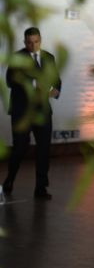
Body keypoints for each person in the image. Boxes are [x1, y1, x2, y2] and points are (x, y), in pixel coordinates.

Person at [2, 27, 61, 200]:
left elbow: (56, 79)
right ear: (24, 42)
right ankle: (10, 179)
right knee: (20, 148)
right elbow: (10, 81)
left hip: (42, 111)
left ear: (40, 40)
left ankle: (40, 189)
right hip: (22, 112)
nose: (32, 45)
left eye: (36, 41)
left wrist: (55, 90)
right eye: (29, 42)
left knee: (44, 149)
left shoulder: (49, 57)